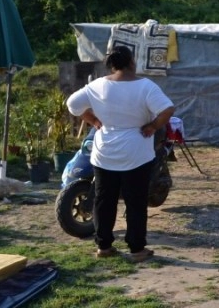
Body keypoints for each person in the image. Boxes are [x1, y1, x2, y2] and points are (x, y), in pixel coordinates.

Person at [66, 46, 175, 262]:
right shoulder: (146, 87)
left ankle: (103, 246)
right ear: (131, 62)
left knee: (103, 200)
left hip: (104, 152)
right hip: (136, 151)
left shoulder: (97, 85)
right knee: (135, 202)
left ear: (111, 64)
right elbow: (167, 109)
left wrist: (94, 120)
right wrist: (153, 126)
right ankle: (136, 250)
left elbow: (72, 104)